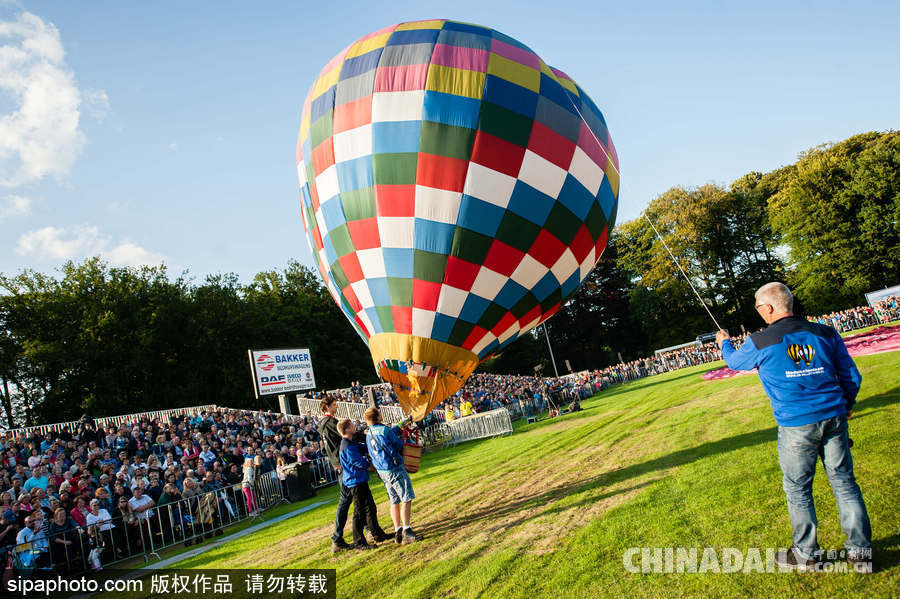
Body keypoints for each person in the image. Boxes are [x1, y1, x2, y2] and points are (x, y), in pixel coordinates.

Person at [716, 282, 872, 572]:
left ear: (770, 307)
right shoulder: (825, 332)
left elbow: (734, 361)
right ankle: (861, 552)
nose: (759, 313)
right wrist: (847, 403)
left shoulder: (761, 340)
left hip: (796, 424)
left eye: (759, 308)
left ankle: (806, 554)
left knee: (798, 489)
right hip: (834, 417)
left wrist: (723, 341)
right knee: (844, 482)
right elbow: (851, 373)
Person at [364, 408, 419, 545]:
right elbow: (398, 444)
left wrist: (401, 424)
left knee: (394, 500)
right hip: (394, 468)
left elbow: (387, 434)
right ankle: (407, 530)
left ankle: (398, 531)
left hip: (382, 471)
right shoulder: (384, 430)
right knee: (406, 497)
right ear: (378, 416)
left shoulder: (368, 432)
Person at [337, 418, 390, 551]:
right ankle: (359, 541)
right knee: (359, 512)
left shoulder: (350, 443)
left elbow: (364, 447)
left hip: (360, 480)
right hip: (355, 482)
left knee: (370, 508)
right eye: (352, 425)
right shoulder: (347, 445)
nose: (354, 427)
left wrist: (373, 440)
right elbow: (359, 462)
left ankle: (377, 534)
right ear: (347, 429)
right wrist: (373, 467)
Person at [317, 397, 353, 553]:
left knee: (356, 496)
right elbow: (345, 437)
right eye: (334, 404)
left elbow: (324, 449)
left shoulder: (321, 425)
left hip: (336, 463)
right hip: (343, 463)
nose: (336, 406)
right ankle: (337, 538)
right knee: (346, 499)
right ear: (328, 407)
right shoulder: (332, 423)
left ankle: (369, 528)